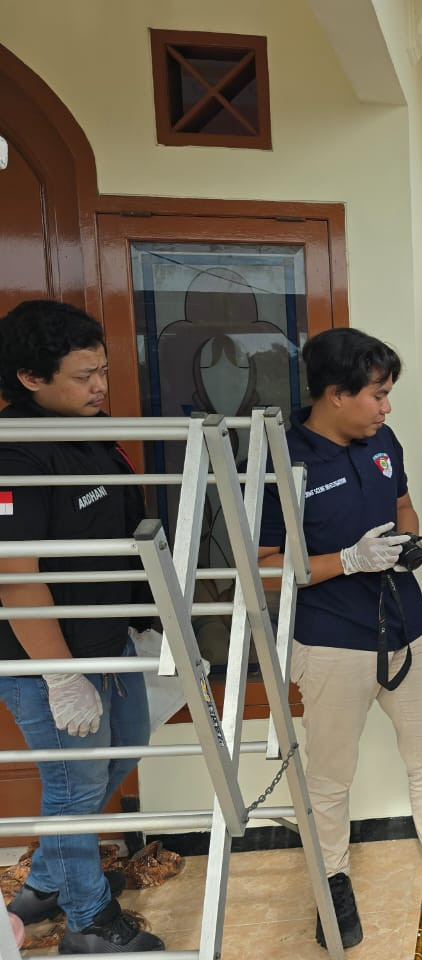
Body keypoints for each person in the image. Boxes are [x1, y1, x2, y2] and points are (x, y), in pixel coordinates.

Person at [256, 328, 422, 947]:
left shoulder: (383, 442)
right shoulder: (285, 462)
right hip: (329, 640)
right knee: (329, 777)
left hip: (407, 625)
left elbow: (404, 507)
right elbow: (265, 563)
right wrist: (346, 560)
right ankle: (333, 888)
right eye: (377, 395)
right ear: (334, 394)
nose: (387, 407)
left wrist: (404, 544)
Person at [0, 300, 163, 953]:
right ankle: (89, 923)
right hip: (48, 653)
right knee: (75, 785)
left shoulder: (85, 429)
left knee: (123, 752)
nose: (99, 385)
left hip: (107, 642)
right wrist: (61, 676)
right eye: (82, 374)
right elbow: (13, 575)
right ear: (32, 379)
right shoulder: (16, 452)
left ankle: (44, 881)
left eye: (102, 369)